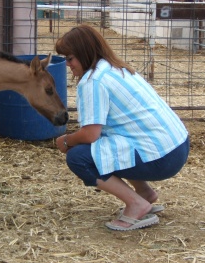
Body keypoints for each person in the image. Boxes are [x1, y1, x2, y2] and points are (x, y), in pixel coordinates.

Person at [55, 24, 189, 231]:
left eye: (70, 58)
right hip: (177, 146)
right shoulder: (116, 68)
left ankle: (137, 204)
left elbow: (90, 134)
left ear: (84, 53)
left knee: (78, 156)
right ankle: (144, 193)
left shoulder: (93, 81)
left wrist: (65, 140)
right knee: (110, 144)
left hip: (162, 158)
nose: (67, 64)